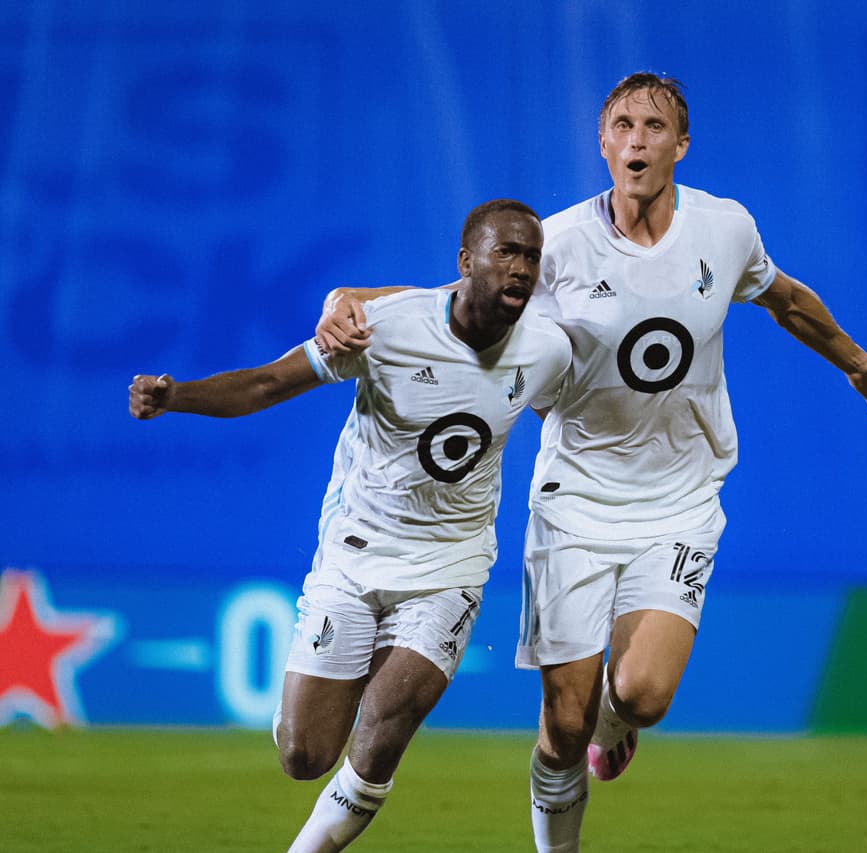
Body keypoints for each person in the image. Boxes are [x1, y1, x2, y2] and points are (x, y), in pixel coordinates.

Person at [315, 73, 867, 852]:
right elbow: (451, 299)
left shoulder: (725, 228)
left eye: (655, 125)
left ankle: (618, 718)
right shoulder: (558, 243)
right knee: (561, 730)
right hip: (575, 502)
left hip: (680, 499)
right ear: (602, 142)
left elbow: (784, 298)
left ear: (681, 144)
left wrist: (854, 361)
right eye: (623, 124)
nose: (638, 138)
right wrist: (349, 298)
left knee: (642, 693)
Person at [129, 200, 571, 852]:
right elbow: (266, 384)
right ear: (465, 261)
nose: (521, 268)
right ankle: (334, 678)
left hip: (451, 564)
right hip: (357, 552)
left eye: (531, 256)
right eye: (506, 251)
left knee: (388, 721)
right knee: (304, 754)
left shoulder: (547, 349)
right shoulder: (386, 329)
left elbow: (573, 425)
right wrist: (177, 397)